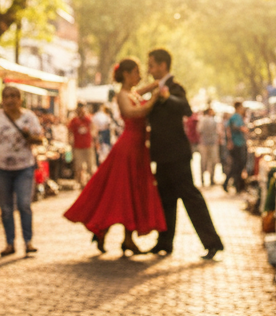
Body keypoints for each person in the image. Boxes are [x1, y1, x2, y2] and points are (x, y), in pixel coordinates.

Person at [64, 58, 167, 255]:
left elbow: (143, 91)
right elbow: (132, 112)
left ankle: (124, 237)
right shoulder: (122, 95)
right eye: (137, 72)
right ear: (127, 74)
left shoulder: (132, 93)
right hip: (128, 148)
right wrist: (154, 99)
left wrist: (158, 83)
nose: (140, 76)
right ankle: (112, 233)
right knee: (121, 192)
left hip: (137, 148)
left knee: (132, 192)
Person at [146, 49, 224, 259]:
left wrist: (166, 97)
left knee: (190, 197)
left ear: (163, 66)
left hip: (177, 155)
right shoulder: (156, 88)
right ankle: (164, 242)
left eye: (152, 65)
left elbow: (186, 108)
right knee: (166, 199)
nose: (149, 70)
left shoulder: (174, 88)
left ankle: (212, 242)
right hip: (163, 155)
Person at [0, 86, 44, 257]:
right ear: (2, 100)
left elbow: (39, 139)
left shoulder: (29, 117)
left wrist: (29, 136)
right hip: (1, 168)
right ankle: (9, 243)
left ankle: (28, 241)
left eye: (13, 96)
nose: (10, 100)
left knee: (25, 204)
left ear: (20, 99)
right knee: (5, 208)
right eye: (6, 96)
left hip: (24, 167)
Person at [68, 104, 97, 186]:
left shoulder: (88, 120)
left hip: (87, 146)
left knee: (90, 165)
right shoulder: (74, 121)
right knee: (79, 166)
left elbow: (93, 128)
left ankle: (90, 182)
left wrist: (92, 137)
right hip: (78, 146)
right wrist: (70, 140)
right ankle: (81, 182)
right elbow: (69, 130)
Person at [224, 103, 249, 193]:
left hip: (237, 143)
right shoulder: (236, 117)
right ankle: (234, 185)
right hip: (237, 144)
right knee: (237, 165)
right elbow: (234, 127)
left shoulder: (235, 117)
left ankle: (235, 185)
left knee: (237, 165)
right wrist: (244, 129)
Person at [197, 107, 221, 186]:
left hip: (206, 143)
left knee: (205, 162)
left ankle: (204, 179)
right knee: (210, 161)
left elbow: (199, 130)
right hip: (208, 143)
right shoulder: (210, 120)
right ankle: (210, 179)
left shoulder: (203, 120)